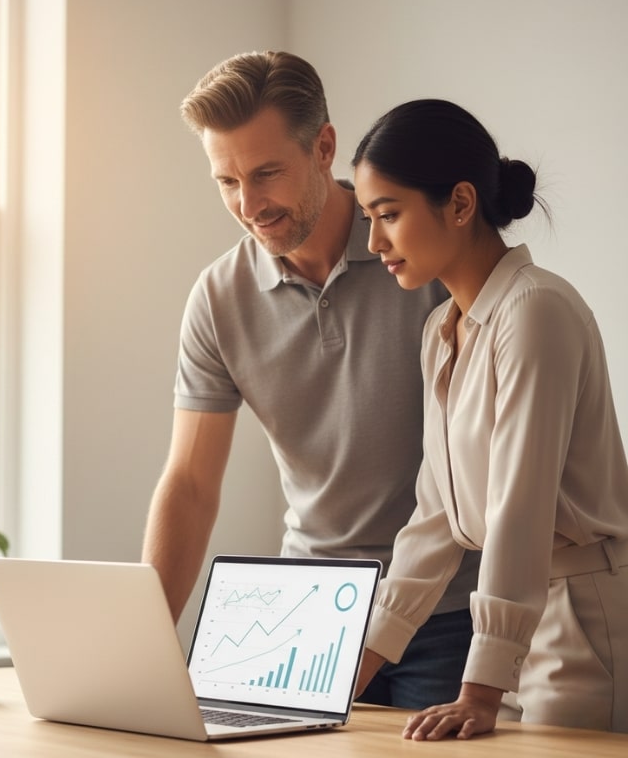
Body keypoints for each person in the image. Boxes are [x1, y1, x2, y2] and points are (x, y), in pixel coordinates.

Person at [141, 52, 480, 710]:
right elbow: (188, 485)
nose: (249, 205)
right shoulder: (219, 297)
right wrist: (139, 646)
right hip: (301, 612)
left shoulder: (426, 256)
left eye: (267, 173)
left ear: (324, 146)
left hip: (443, 613)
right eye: (227, 182)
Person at [351, 98, 628, 738]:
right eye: (369, 218)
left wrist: (479, 688)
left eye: (388, 214)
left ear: (460, 202)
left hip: (579, 623)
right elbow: (435, 519)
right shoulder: (440, 332)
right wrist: (359, 663)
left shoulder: (536, 311)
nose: (374, 242)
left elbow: (518, 507)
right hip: (507, 626)